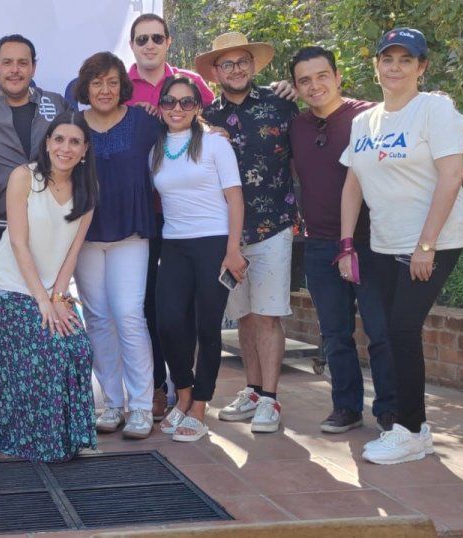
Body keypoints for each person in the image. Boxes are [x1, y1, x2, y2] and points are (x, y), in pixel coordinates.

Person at [338, 28, 463, 464]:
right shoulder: (364, 121)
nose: (394, 67)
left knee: (401, 330)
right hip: (382, 244)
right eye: (387, 59)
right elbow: (352, 184)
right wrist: (346, 243)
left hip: (433, 242)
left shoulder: (434, 110)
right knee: (386, 334)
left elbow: (452, 177)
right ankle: (406, 425)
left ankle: (411, 429)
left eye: (405, 60)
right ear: (376, 65)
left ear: (421, 67)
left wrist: (426, 245)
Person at [288, 46, 396, 434]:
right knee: (334, 334)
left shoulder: (369, 116)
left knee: (380, 330)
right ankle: (346, 407)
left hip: (370, 242)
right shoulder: (296, 124)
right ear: (296, 88)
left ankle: (390, 409)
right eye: (304, 80)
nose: (314, 86)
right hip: (319, 243)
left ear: (337, 76)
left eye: (321, 76)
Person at [197, 32, 299, 433]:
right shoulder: (205, 116)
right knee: (243, 315)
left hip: (274, 224)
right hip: (229, 234)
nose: (236, 69)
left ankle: (271, 400)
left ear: (253, 66)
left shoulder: (282, 104)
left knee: (269, 314)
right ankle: (253, 390)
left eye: (242, 62)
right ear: (216, 72)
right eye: (227, 64)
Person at [0, 111, 98, 462]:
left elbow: (72, 252)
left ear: (85, 150)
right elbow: (18, 243)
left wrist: (59, 297)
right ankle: (29, 438)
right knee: (49, 350)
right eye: (59, 139)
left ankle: (68, 438)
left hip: (51, 290)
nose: (65, 147)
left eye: (74, 142)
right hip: (10, 288)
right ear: (47, 143)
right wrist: (42, 301)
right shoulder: (24, 177)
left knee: (78, 348)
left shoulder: (88, 190)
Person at [125, 13, 215, 424]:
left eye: (156, 38)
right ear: (132, 45)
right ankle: (160, 389)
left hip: (190, 220)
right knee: (151, 308)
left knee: (188, 312)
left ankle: (189, 392)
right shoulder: (122, 86)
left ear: (168, 41)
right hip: (145, 215)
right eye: (141, 38)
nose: (149, 45)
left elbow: (211, 120)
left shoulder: (189, 82)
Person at [73, 52, 162, 440]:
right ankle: (110, 403)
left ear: (122, 85)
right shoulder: (73, 124)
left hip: (131, 233)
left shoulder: (143, 121)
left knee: (128, 315)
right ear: (85, 87)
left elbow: (183, 134)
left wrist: (215, 133)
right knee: (97, 318)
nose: (105, 90)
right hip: (85, 236)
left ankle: (141, 407)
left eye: (111, 81)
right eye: (96, 83)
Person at [151, 76, 245, 443]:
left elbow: (235, 199)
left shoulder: (215, 144)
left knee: (207, 327)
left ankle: (202, 403)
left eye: (186, 102)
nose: (177, 109)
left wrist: (233, 250)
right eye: (170, 102)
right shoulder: (156, 148)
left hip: (213, 243)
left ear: (198, 107)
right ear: (160, 107)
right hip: (173, 244)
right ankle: (184, 394)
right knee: (170, 323)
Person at [0, 34, 73, 269]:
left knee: (45, 300)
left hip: (48, 224)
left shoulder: (56, 105)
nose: (15, 70)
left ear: (33, 67)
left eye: (22, 63)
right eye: (7, 62)